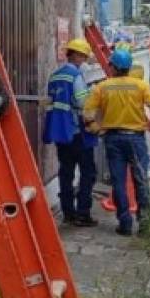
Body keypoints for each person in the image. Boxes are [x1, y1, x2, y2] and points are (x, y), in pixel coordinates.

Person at [84, 49, 150, 236]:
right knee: (141, 180)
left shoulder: (102, 87)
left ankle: (125, 223)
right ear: (128, 67)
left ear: (113, 67)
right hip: (136, 138)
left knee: (118, 182)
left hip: (113, 139)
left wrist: (97, 129)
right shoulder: (140, 86)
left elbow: (87, 114)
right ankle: (144, 224)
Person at [43, 38, 99, 227]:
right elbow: (83, 104)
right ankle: (83, 214)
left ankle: (68, 212)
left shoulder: (55, 75)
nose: (83, 60)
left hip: (60, 131)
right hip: (77, 132)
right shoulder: (75, 75)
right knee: (87, 173)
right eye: (83, 57)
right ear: (75, 55)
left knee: (65, 172)